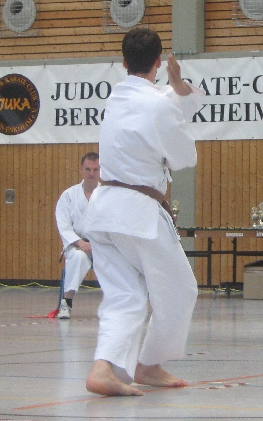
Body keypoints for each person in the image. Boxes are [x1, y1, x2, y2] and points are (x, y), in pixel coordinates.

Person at [83, 27, 203, 396]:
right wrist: (177, 89)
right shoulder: (157, 104)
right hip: (137, 214)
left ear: (123, 62)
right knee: (181, 290)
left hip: (102, 212)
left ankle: (103, 369)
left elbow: (161, 102)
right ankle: (148, 365)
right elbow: (185, 157)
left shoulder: (116, 98)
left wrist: (177, 89)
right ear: (159, 61)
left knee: (126, 296)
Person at [54, 151, 100, 320]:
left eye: (95, 169)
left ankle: (118, 305)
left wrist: (98, 244)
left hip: (102, 245)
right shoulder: (69, 195)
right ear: (81, 169)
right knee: (78, 258)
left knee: (121, 262)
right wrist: (80, 243)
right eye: (88, 169)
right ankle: (66, 302)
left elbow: (114, 223)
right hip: (77, 244)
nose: (91, 174)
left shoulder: (107, 195)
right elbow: (63, 225)